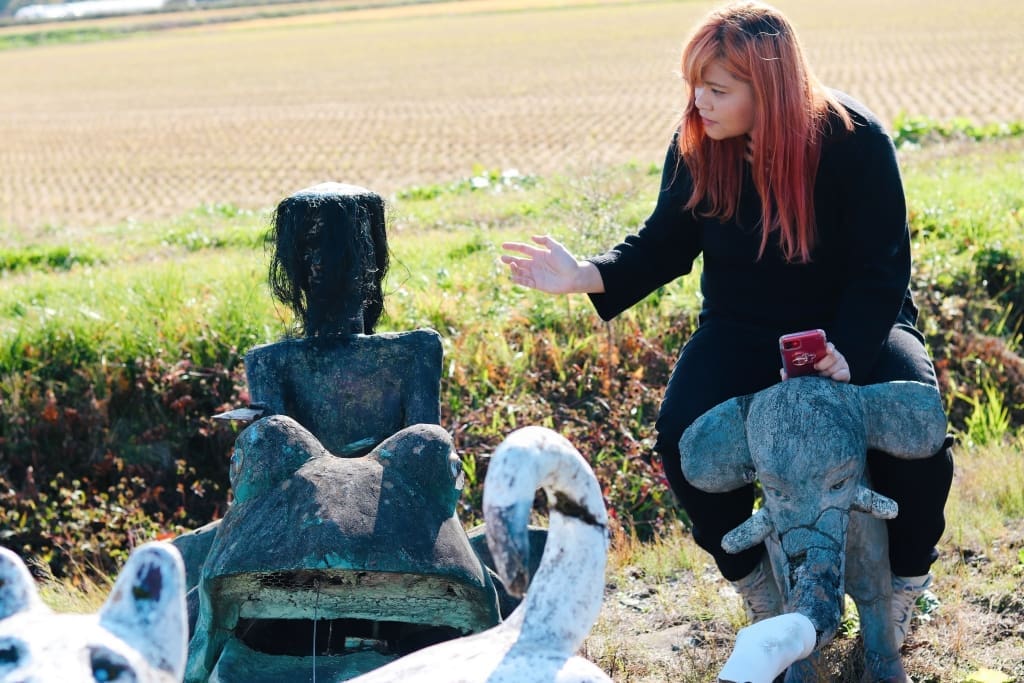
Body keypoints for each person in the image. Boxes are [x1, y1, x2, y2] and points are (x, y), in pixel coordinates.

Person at [500, 0, 953, 647]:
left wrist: (849, 351)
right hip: (742, 328)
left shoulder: (856, 141)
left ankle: (905, 585)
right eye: (694, 87)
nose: (699, 104)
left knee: (919, 433)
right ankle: (759, 589)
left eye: (716, 89)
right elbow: (662, 246)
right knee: (681, 440)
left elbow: (882, 268)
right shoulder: (697, 145)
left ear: (767, 89)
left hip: (856, 325)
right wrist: (582, 275)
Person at [243, 182, 444, 457]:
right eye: (308, 247)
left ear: (368, 256)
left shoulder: (415, 351)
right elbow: (273, 469)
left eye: (336, 248)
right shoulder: (269, 363)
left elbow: (425, 461)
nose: (318, 262)